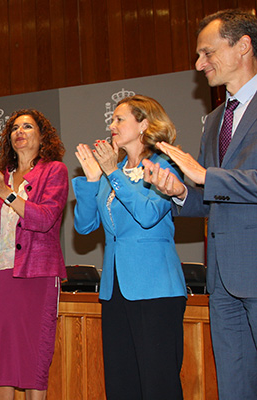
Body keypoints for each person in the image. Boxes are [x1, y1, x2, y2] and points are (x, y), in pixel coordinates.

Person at [142, 9, 257, 399]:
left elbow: (217, 181)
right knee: (233, 385)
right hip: (222, 279)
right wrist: (178, 190)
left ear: (243, 46)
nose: (198, 63)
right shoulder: (214, 120)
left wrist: (207, 176)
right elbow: (213, 201)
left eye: (207, 53)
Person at [72, 95, 188, 399]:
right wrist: (92, 179)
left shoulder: (166, 164)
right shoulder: (114, 169)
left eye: (119, 119)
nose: (112, 125)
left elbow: (149, 215)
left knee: (158, 383)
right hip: (115, 289)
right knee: (122, 382)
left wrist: (112, 173)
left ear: (144, 125)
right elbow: (84, 226)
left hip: (156, 288)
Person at [0, 109, 68, 400]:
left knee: (33, 354)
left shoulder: (54, 171)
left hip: (37, 275)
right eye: (14, 128)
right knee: (0, 357)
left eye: (27, 126)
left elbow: (45, 218)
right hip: (0, 277)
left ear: (42, 136)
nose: (19, 132)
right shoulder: (2, 176)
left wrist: (6, 193)